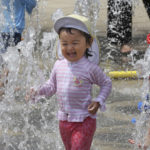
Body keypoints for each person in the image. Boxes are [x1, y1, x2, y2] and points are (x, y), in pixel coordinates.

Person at [26, 14, 112, 150]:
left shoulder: (90, 68)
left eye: (75, 43)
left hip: (84, 120)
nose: (69, 48)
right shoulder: (58, 65)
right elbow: (51, 86)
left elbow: (106, 83)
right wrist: (37, 91)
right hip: (64, 121)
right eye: (64, 44)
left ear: (88, 43)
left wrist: (99, 100)